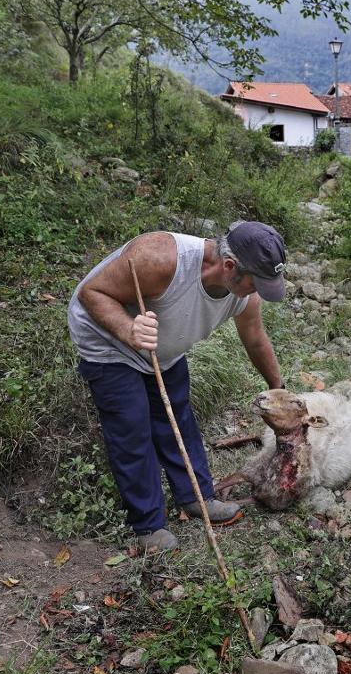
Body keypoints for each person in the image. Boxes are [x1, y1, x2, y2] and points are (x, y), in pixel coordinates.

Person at [67, 221, 287, 552]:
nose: (257, 293)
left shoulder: (243, 297)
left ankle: (197, 497)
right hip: (108, 341)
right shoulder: (159, 259)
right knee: (132, 426)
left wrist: (278, 387)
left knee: (178, 417)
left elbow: (255, 340)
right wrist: (128, 330)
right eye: (256, 284)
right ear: (230, 268)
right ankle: (148, 526)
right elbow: (91, 293)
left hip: (162, 347)